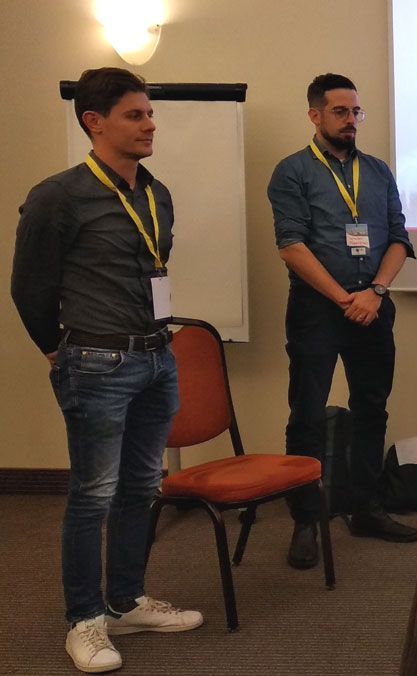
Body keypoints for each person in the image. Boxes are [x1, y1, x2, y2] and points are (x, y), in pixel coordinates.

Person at [11, 67, 203, 674]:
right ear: (94, 122)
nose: (150, 124)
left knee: (142, 487)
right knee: (92, 493)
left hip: (156, 357)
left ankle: (125, 601)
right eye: (135, 115)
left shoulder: (156, 192)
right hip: (96, 362)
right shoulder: (59, 196)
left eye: (150, 113)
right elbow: (29, 287)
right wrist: (57, 350)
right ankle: (85, 620)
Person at [267, 73, 417, 570]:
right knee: (307, 413)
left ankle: (366, 508)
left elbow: (398, 238)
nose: (350, 120)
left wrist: (375, 293)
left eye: (356, 111)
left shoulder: (377, 171)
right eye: (340, 111)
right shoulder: (292, 172)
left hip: (372, 305)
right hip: (317, 310)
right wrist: (343, 299)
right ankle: (306, 520)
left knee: (372, 408)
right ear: (315, 115)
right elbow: (292, 246)